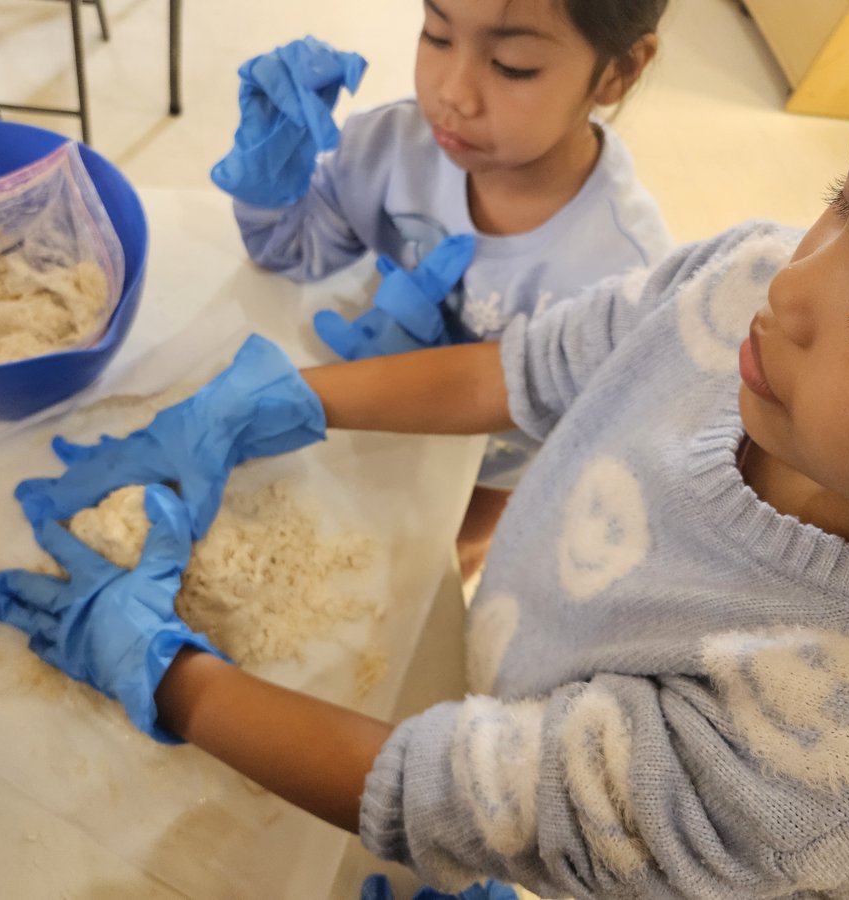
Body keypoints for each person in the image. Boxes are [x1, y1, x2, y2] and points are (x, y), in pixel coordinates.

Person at [0, 3, 849, 895]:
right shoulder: (743, 278)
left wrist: (168, 676)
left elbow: (471, 801)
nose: (790, 288)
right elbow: (530, 367)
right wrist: (276, 401)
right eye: (839, 198)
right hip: (515, 657)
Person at [210, 0, 675, 581]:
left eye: (511, 66)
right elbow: (289, 250)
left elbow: (599, 437)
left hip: (494, 468)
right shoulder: (394, 148)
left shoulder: (622, 274)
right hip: (373, 415)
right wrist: (268, 180)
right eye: (436, 35)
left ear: (619, 71)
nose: (453, 93)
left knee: (433, 570)